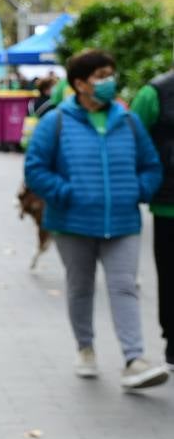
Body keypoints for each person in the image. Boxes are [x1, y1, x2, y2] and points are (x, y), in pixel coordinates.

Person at [26, 50, 168, 389]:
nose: (109, 81)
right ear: (80, 83)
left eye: (110, 74)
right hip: (72, 223)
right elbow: (35, 168)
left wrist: (138, 190)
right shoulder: (56, 121)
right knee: (81, 288)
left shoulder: (128, 120)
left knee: (124, 287)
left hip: (122, 221)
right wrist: (66, 193)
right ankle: (85, 348)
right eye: (100, 75)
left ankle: (134, 360)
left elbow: (151, 165)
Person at [130, 70, 174, 373]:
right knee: (172, 276)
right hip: (169, 204)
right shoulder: (156, 92)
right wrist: (145, 186)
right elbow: (131, 140)